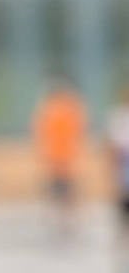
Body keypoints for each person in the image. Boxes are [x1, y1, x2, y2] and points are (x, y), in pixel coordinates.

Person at [30, 76, 88, 238]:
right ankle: (64, 222)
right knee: (63, 192)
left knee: (63, 192)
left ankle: (64, 222)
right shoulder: (67, 108)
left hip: (60, 157)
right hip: (61, 157)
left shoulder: (54, 109)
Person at [108, 86, 129, 273]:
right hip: (125, 183)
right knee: (123, 229)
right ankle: (121, 270)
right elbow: (114, 154)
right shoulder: (120, 120)